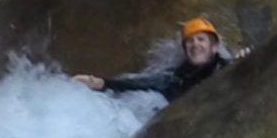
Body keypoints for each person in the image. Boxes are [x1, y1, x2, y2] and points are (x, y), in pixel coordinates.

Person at [74, 17, 242, 103]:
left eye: (201, 39)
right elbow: (140, 83)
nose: (195, 44)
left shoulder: (228, 67)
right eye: (190, 41)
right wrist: (103, 83)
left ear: (214, 47)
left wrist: (245, 62)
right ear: (185, 50)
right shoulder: (176, 78)